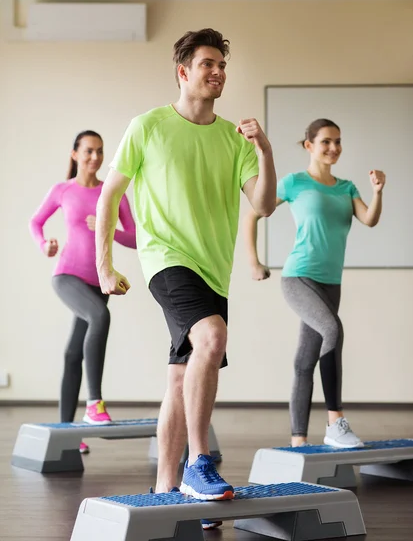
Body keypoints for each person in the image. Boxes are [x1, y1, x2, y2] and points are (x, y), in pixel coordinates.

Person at [95, 28, 277, 517]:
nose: (217, 72)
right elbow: (110, 194)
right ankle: (200, 461)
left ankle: (164, 487)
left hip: (213, 271)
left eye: (222, 65)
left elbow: (263, 204)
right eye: (207, 64)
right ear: (183, 71)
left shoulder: (232, 139)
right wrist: (105, 265)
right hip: (166, 259)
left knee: (180, 377)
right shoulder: (148, 125)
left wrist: (264, 150)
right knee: (212, 338)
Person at [244, 118, 385, 449]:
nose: (333, 148)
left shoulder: (347, 187)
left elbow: (369, 219)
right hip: (299, 276)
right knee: (332, 330)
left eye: (338, 141)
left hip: (330, 283)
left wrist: (377, 193)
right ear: (309, 145)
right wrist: (253, 262)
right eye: (326, 142)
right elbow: (253, 213)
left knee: (304, 361)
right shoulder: (294, 182)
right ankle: (335, 422)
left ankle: (299, 443)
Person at [29, 130, 136, 454]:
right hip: (67, 275)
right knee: (99, 316)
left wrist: (107, 228)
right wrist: (44, 244)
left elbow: (133, 237)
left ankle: (66, 435)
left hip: (99, 281)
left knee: (73, 353)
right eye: (89, 151)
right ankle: (94, 404)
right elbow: (35, 223)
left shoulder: (111, 191)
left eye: (100, 152)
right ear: (75, 154)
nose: (95, 157)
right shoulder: (62, 190)